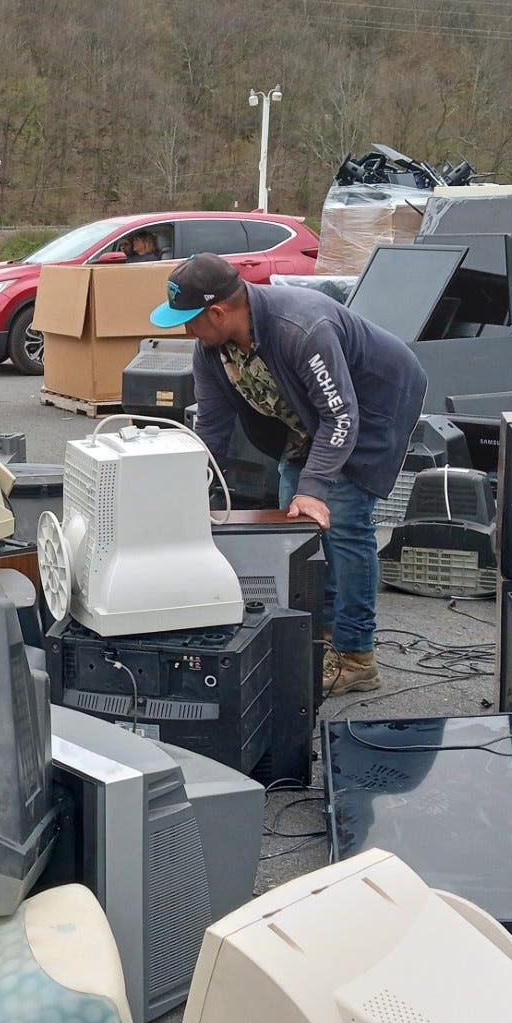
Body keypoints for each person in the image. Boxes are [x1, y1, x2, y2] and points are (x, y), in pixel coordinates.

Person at [151, 254, 426, 696]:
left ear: (218, 312)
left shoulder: (300, 329)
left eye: (189, 320)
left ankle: (357, 656)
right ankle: (323, 637)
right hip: (311, 417)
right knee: (295, 527)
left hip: (372, 405)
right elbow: (213, 428)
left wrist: (315, 488)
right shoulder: (211, 350)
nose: (185, 331)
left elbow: (341, 417)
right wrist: (187, 491)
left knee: (343, 520)